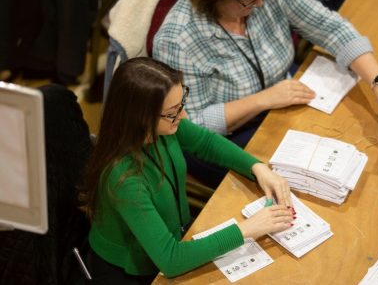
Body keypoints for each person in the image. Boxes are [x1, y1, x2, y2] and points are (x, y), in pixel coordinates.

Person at [153, 0, 378, 186]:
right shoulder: (178, 39)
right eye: (248, 1)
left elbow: (330, 27)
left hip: (280, 101)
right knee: (310, 180)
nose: (261, 3)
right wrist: (262, 100)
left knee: (349, 143)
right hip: (224, 140)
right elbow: (191, 127)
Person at [80, 57, 295, 284]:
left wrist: (258, 167)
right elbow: (171, 260)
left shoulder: (163, 127)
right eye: (173, 111)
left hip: (177, 235)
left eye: (181, 102)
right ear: (141, 117)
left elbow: (206, 143)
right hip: (136, 271)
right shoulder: (124, 177)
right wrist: (247, 229)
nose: (183, 116)